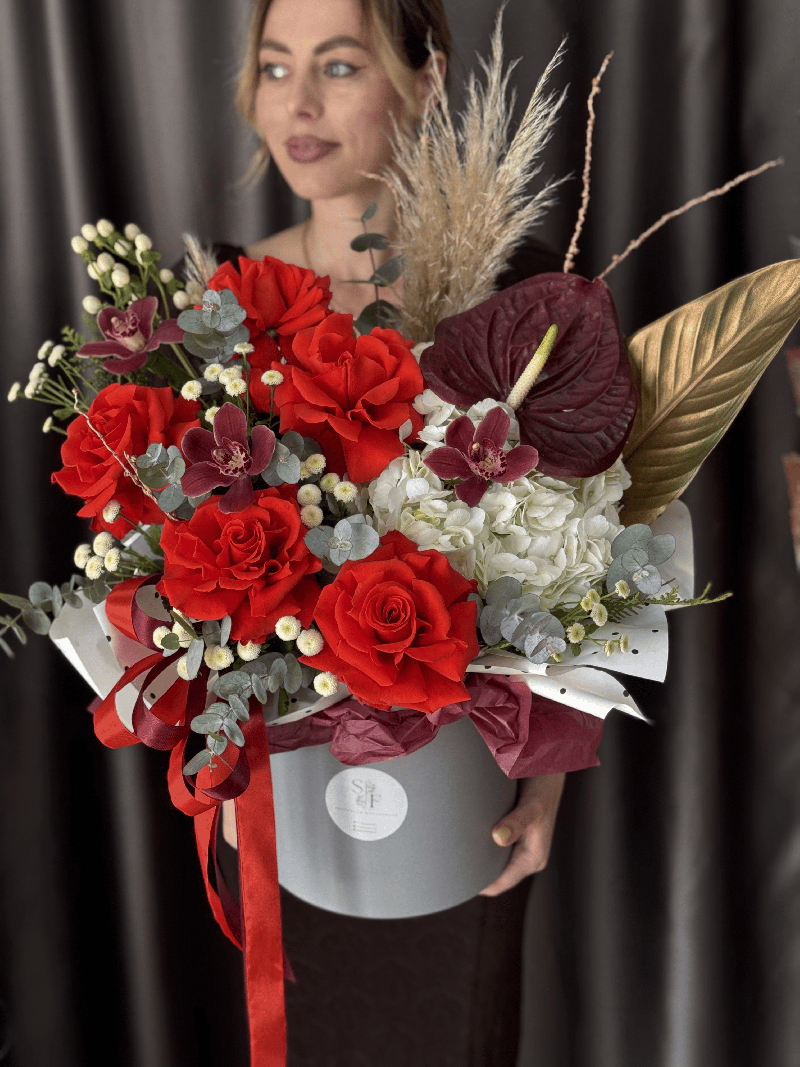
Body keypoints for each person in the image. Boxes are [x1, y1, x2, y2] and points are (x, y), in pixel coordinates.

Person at [211, 0, 568, 1063]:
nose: (297, 103)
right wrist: (213, 747)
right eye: (275, 67)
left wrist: (546, 778)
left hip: (464, 789)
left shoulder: (511, 298)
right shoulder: (221, 300)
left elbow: (575, 551)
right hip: (281, 798)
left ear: (424, 78)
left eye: (337, 65)